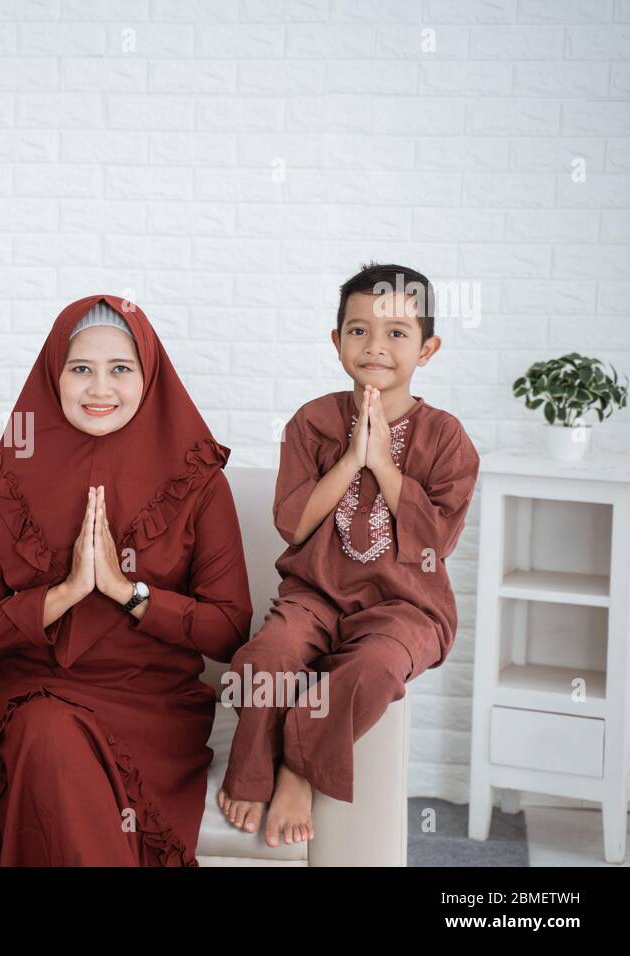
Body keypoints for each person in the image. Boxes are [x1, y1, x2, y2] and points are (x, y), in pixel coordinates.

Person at [0, 294, 253, 866]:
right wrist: (66, 593)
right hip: (30, 698)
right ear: (54, 375)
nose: (99, 388)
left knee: (50, 746)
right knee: (46, 733)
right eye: (81, 368)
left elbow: (228, 630)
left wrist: (130, 595)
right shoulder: (9, 479)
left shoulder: (198, 483)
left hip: (151, 711)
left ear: (148, 377)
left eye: (120, 369)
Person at [217, 262, 480, 848]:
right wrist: (352, 459)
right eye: (358, 330)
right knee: (268, 655)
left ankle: (296, 770)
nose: (376, 346)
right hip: (315, 596)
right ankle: (252, 771)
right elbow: (293, 523)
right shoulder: (313, 422)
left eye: (396, 333)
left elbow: (433, 542)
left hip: (406, 608)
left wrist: (386, 466)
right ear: (336, 342)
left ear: (427, 348)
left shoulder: (446, 437)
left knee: (373, 669)